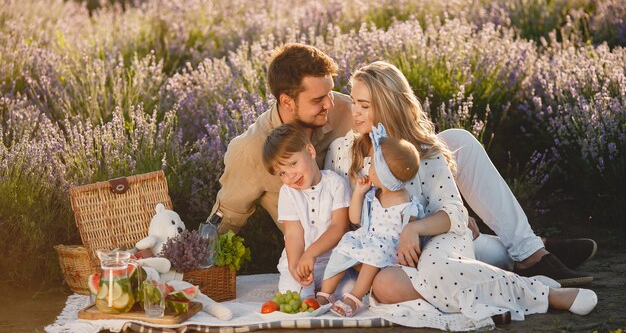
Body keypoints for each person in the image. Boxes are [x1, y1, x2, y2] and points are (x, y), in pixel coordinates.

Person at [208, 43, 595, 286]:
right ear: (286, 100)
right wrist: (188, 261)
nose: (333, 106)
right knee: (451, 244)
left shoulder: (340, 106)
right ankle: (524, 251)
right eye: (318, 100)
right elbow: (221, 221)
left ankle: (530, 253)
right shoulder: (252, 149)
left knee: (456, 140)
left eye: (332, 94)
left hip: (395, 204)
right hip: (350, 236)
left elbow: (402, 147)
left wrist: (440, 203)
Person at [324, 60, 597, 320]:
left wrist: (414, 228)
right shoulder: (343, 152)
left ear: (389, 107)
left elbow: (453, 213)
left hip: (437, 241)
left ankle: (546, 294)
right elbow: (348, 221)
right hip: (388, 254)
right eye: (353, 102)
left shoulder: (424, 152)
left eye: (364, 105)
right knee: (385, 287)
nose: (354, 112)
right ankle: (505, 278)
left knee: (439, 269)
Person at [317, 124, 424, 317]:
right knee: (344, 246)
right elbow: (354, 218)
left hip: (387, 252)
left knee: (374, 255)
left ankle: (354, 298)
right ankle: (325, 293)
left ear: (385, 175)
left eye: (373, 165)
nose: (368, 167)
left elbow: (411, 237)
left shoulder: (407, 206)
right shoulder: (373, 195)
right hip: (368, 239)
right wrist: (358, 193)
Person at [261, 123, 354, 298]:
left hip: (333, 262)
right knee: (296, 294)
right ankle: (309, 290)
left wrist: (311, 254)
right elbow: (293, 234)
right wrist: (295, 265)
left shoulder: (335, 184)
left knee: (349, 291)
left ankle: (326, 293)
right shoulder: (288, 193)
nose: (290, 176)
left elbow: (339, 227)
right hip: (301, 260)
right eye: (281, 173)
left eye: (293, 164)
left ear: (310, 152)